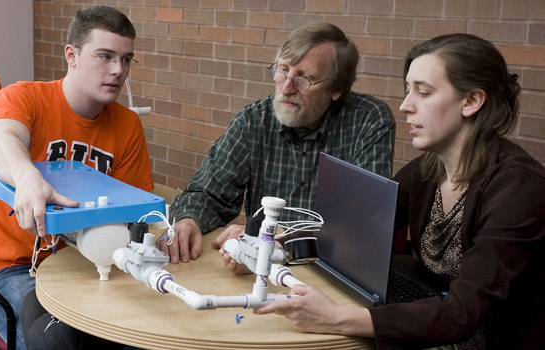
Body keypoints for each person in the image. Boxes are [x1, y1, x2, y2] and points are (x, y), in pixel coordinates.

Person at [253, 33, 545, 349]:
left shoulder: (520, 188)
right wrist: (270, 244)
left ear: (471, 101)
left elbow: (463, 312)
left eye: (424, 92)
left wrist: (337, 317)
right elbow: (357, 231)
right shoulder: (426, 170)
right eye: (408, 91)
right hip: (429, 333)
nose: (405, 106)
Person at [157, 22, 396, 265]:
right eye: (283, 69)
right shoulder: (254, 121)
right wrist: (189, 219)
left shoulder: (368, 120)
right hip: (258, 269)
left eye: (304, 78)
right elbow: (207, 194)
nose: (286, 87)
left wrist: (280, 239)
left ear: (337, 88)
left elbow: (365, 221)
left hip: (331, 271)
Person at [0, 6, 153, 350]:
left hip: (89, 261)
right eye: (105, 56)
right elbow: (1, 139)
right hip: (14, 266)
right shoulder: (25, 97)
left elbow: (133, 213)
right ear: (72, 55)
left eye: (126, 60)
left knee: (131, 335)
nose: (117, 70)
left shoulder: (127, 124)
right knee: (55, 340)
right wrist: (27, 178)